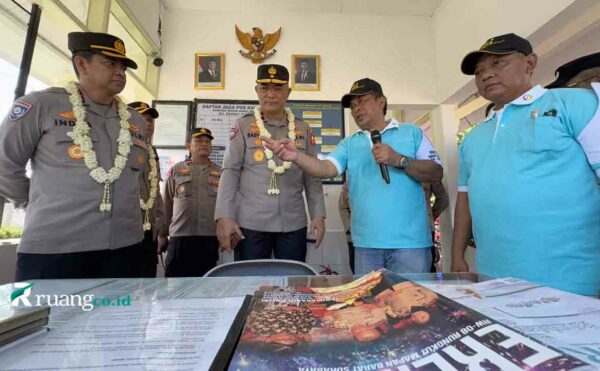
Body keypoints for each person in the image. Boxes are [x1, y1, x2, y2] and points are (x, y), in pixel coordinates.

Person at [451, 33, 600, 296]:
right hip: (493, 278)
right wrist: (456, 255)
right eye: (479, 71)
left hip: (570, 279)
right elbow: (465, 198)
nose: (485, 75)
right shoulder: (472, 138)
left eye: (498, 63)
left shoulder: (575, 104)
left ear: (529, 63)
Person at [0, 32, 148, 280]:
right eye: (110, 64)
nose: (120, 72)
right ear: (81, 64)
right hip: (55, 248)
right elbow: (4, 164)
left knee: (115, 319)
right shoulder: (41, 105)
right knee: (50, 319)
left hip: (124, 249)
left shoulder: (133, 121)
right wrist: (35, 203)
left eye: (123, 66)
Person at [262, 78, 443, 274]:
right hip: (366, 246)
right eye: (353, 105)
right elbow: (325, 168)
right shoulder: (350, 144)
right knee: (369, 304)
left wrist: (399, 159)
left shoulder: (412, 133)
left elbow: (436, 172)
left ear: (381, 101)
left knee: (412, 303)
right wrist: (296, 156)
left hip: (411, 245)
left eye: (362, 101)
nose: (357, 109)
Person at [215, 64, 326, 262]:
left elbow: (312, 176)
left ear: (288, 93)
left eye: (277, 89)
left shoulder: (302, 128)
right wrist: (225, 216)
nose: (270, 94)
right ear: (257, 90)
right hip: (251, 224)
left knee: (293, 284)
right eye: (264, 88)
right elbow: (230, 172)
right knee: (249, 283)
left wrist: (318, 215)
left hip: (293, 223)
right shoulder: (243, 125)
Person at [160, 128, 221, 277]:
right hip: (180, 237)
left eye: (207, 141)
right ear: (189, 146)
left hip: (209, 238)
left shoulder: (221, 172)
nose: (204, 144)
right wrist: (162, 234)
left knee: (206, 283)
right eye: (198, 141)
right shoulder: (177, 170)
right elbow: (166, 203)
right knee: (174, 284)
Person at [128, 101, 167, 277]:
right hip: (126, 229)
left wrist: (160, 227)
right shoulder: (118, 146)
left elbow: (156, 190)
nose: (148, 123)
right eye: (142, 118)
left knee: (147, 282)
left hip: (149, 230)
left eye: (151, 119)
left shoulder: (152, 152)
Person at [422, 182, 449, 272]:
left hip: (424, 229)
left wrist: (431, 216)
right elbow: (443, 199)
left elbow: (443, 200)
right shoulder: (425, 171)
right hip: (424, 227)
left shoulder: (428, 170)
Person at [338, 180, 354, 274]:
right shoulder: (349, 186)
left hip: (377, 236)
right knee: (355, 265)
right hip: (354, 235)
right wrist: (349, 227)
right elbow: (343, 207)